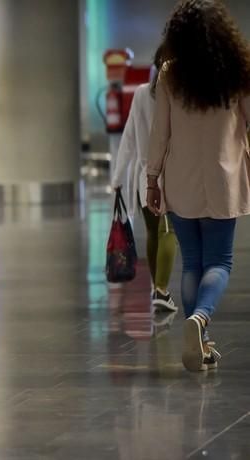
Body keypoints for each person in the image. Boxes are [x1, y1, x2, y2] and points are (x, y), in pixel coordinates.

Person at [146, 0, 250, 372]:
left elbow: (160, 133)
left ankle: (200, 342)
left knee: (193, 262)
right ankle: (200, 319)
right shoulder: (239, 71)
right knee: (220, 261)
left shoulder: (170, 73)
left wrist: (151, 179)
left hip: (180, 177)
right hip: (225, 178)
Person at [112, 49, 178, 314]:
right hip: (171, 172)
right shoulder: (176, 95)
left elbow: (128, 137)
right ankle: (161, 290)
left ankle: (155, 288)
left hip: (143, 176)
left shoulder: (140, 93)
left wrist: (117, 177)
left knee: (153, 232)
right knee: (168, 231)